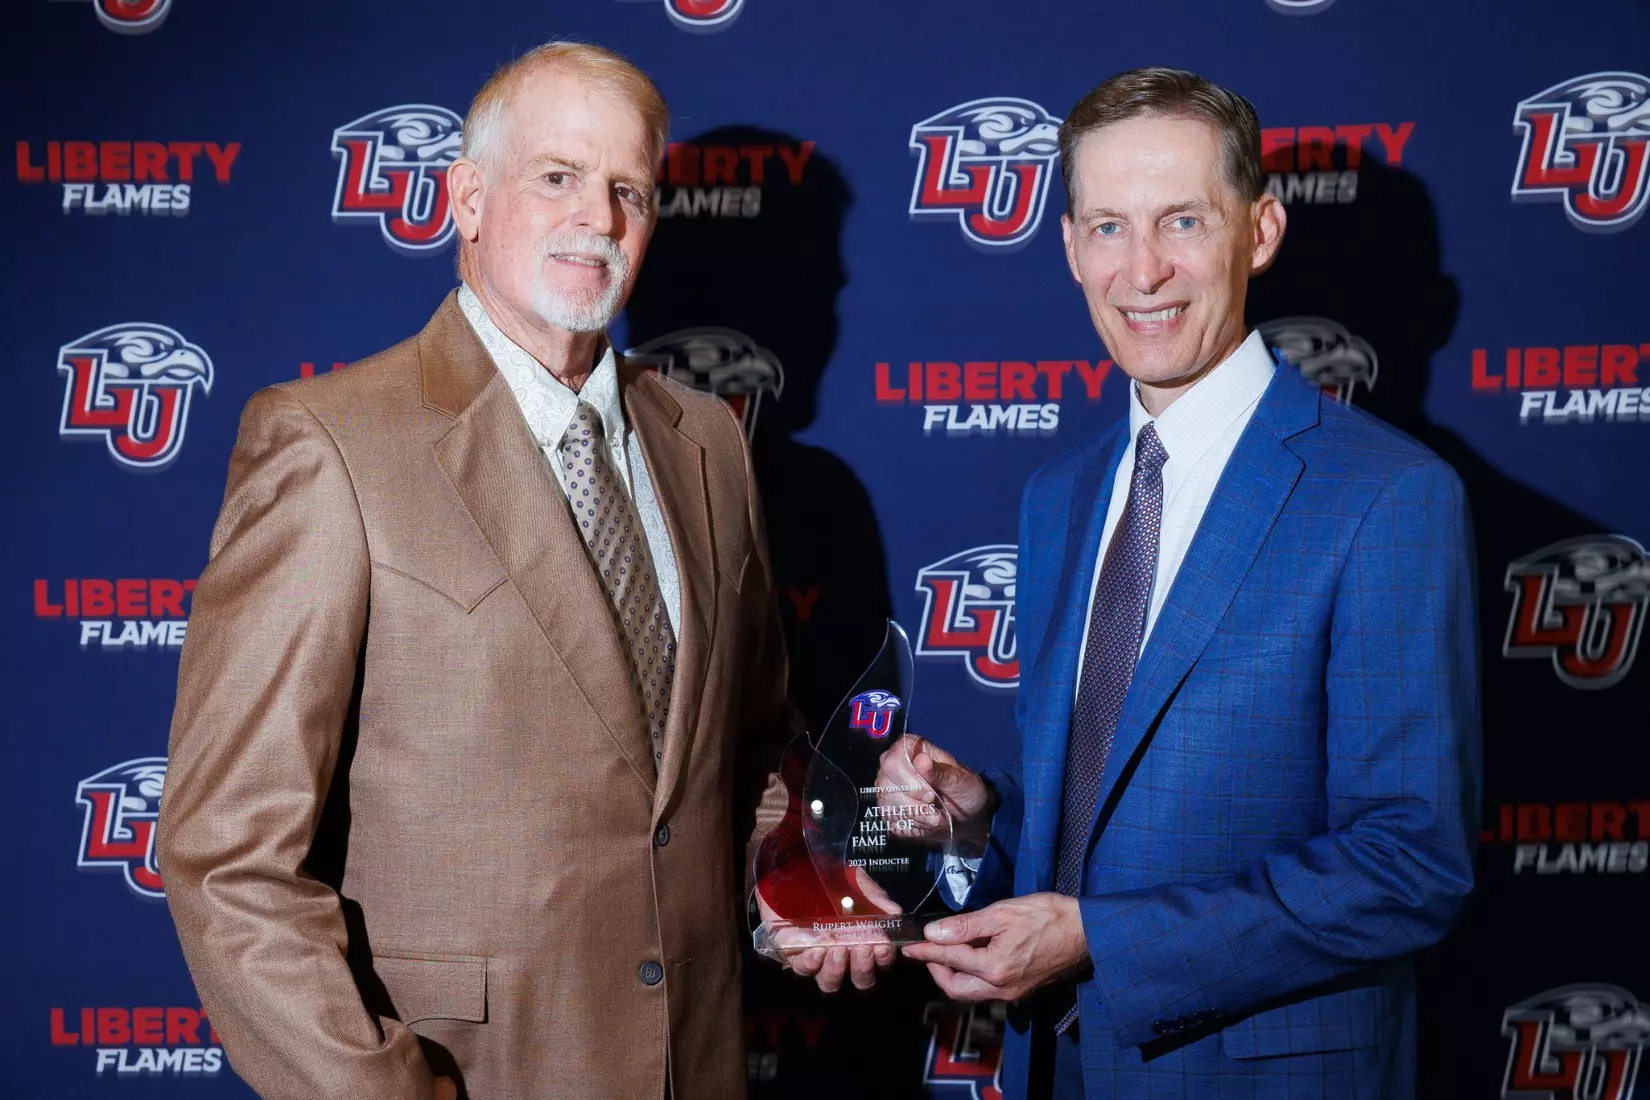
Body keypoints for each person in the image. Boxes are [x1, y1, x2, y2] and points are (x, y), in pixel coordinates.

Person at [158, 42, 815, 1100]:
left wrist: (799, 884)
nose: (598, 217)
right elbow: (229, 860)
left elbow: (749, 751)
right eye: (558, 176)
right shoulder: (331, 443)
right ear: (468, 198)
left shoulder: (707, 441)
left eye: (629, 190)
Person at [890, 67, 1481, 1099]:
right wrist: (981, 817)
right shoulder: (1060, 496)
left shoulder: (1387, 496)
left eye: (1182, 221)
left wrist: (1100, 939)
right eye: (1108, 228)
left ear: (1260, 231)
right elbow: (1104, 815)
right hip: (1059, 1070)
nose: (1143, 270)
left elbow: (1410, 862)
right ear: (1069, 247)